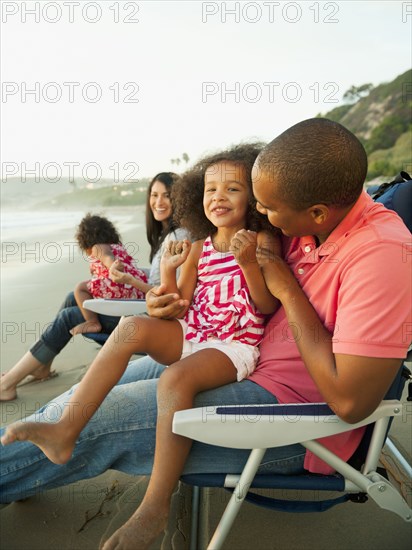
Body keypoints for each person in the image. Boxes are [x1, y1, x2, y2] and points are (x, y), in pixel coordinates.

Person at [1, 119, 411, 550]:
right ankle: (34, 459)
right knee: (84, 394)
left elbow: (350, 402)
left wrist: (286, 288)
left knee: (107, 415)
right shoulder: (307, 221)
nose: (262, 216)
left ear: (317, 213)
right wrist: (164, 302)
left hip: (293, 418)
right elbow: (215, 287)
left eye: (268, 209)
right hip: (228, 355)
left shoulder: (381, 254)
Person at [1, 143, 280, 536]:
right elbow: (179, 305)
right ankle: (66, 428)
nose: (218, 197)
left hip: (234, 344)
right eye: (210, 189)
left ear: (254, 196)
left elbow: (267, 306)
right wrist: (167, 270)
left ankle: (155, 504)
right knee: (131, 327)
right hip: (194, 330)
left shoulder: (262, 241)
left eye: (232, 189)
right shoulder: (198, 248)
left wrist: (249, 262)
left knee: (175, 379)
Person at [0, 172, 186, 402]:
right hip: (147, 305)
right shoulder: (167, 236)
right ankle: (42, 366)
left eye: (167, 196)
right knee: (73, 297)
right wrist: (136, 275)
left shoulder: (178, 237)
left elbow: (169, 294)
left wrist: (129, 279)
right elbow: (161, 276)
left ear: (180, 198)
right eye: (154, 195)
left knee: (71, 316)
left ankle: (7, 384)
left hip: (155, 318)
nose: (159, 202)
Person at [69, 213, 149, 336]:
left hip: (118, 286)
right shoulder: (118, 247)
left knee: (80, 288)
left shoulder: (97, 247)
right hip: (136, 291)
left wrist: (113, 266)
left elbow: (107, 257)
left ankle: (92, 322)